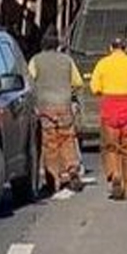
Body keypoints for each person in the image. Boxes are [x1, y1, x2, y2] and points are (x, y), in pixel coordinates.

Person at [27, 28, 85, 193]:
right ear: (57, 46)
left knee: (49, 143)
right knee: (67, 139)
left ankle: (53, 177)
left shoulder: (36, 60)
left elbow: (30, 81)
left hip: (45, 107)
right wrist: (72, 98)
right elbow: (78, 83)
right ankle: (72, 169)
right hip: (64, 105)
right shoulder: (67, 61)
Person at [90, 37, 127, 201]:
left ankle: (115, 173)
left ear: (110, 48)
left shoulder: (102, 64)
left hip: (109, 110)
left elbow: (95, 88)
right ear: (126, 48)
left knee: (110, 147)